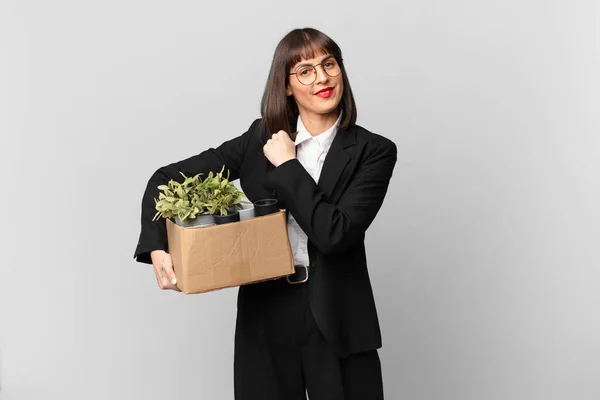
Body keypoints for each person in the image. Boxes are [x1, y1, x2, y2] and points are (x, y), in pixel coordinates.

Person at [134, 27, 397, 400]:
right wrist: (158, 245)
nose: (322, 77)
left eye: (329, 64)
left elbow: (334, 234)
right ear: (287, 86)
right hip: (265, 313)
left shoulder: (374, 150)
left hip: (337, 317)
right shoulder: (260, 139)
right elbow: (165, 179)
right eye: (305, 70)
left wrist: (289, 165)